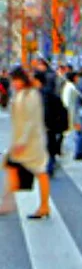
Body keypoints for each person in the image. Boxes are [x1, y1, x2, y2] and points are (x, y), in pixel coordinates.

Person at [0, 67, 50, 219]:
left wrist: (22, 141)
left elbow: (32, 120)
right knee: (12, 167)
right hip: (21, 141)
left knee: (40, 172)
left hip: (31, 142)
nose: (13, 83)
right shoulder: (21, 94)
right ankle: (8, 201)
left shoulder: (31, 95)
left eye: (15, 80)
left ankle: (43, 206)